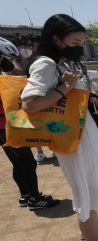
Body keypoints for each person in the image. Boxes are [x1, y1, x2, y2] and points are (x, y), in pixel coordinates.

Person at [20, 14, 98, 241]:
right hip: (72, 140)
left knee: (88, 183)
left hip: (78, 133)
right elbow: (30, 104)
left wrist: (87, 98)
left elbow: (64, 98)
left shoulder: (59, 61)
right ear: (57, 39)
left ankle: (90, 228)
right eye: (76, 41)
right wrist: (65, 88)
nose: (80, 46)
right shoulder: (46, 63)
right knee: (85, 188)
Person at [0, 36, 60, 210]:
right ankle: (34, 199)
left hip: (5, 126)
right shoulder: (4, 80)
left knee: (18, 163)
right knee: (27, 162)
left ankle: (25, 195)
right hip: (7, 127)